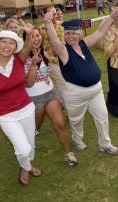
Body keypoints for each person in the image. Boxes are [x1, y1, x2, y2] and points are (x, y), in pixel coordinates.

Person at [44, 6, 118, 154]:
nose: (70, 36)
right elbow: (53, 40)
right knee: (76, 120)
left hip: (96, 90)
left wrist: (111, 17)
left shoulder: (84, 44)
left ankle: (105, 144)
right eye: (67, 34)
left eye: (74, 33)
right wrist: (48, 23)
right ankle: (77, 140)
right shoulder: (64, 51)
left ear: (79, 34)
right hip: (75, 93)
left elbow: (100, 31)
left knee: (102, 117)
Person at [0, 25, 42, 186]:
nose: (7, 46)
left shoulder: (19, 60)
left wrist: (28, 32)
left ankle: (26, 166)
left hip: (27, 109)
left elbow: (28, 45)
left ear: (15, 46)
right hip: (7, 115)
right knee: (23, 149)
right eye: (3, 42)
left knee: (30, 144)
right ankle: (26, 166)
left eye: (11, 43)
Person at [23, 28, 78, 166]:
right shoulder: (23, 58)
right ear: (26, 41)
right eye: (32, 37)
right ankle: (28, 139)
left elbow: (48, 73)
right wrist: (34, 64)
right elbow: (29, 83)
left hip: (50, 93)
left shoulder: (44, 53)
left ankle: (69, 154)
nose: (37, 39)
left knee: (60, 124)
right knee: (34, 127)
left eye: (38, 36)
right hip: (34, 98)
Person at [39, 8, 67, 106]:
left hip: (64, 58)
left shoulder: (62, 25)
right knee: (61, 82)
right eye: (51, 14)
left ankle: (59, 102)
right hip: (50, 60)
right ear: (45, 15)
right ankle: (65, 104)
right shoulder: (41, 28)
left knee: (58, 82)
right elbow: (39, 44)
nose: (53, 16)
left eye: (55, 14)